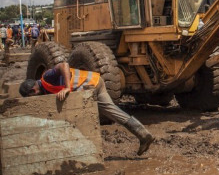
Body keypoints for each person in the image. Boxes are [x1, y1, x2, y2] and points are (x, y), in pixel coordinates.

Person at [19, 62, 154, 156]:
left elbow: (64, 65)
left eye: (31, 97)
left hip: (89, 85)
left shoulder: (46, 77)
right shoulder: (46, 88)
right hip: (96, 81)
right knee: (111, 111)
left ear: (33, 90)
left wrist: (67, 87)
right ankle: (143, 134)